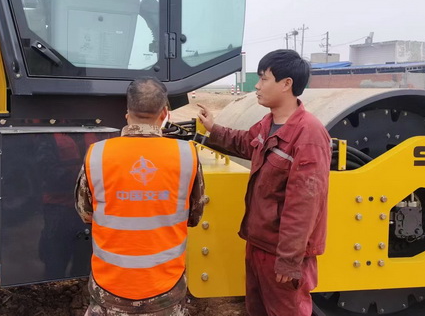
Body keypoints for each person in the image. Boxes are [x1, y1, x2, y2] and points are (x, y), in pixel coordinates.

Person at [197, 49, 331, 316]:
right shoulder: (269, 123)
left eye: (263, 78)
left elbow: (304, 204)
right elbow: (246, 143)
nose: (257, 86)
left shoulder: (308, 135)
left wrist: (289, 261)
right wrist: (212, 128)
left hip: (282, 253)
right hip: (259, 243)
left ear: (286, 84)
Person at [75, 76, 205, 316]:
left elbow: (85, 214)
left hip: (110, 287)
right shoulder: (187, 155)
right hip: (165, 287)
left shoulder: (97, 154)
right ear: (164, 113)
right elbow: (194, 217)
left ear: (127, 112)